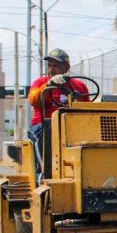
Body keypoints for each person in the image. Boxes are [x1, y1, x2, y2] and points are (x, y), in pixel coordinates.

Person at [26, 48, 89, 182]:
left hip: (71, 127)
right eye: (49, 66)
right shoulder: (40, 83)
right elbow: (33, 100)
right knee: (44, 132)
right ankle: (43, 175)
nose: (51, 70)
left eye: (55, 66)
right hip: (43, 125)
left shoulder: (79, 86)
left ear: (66, 68)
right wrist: (48, 85)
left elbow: (87, 110)